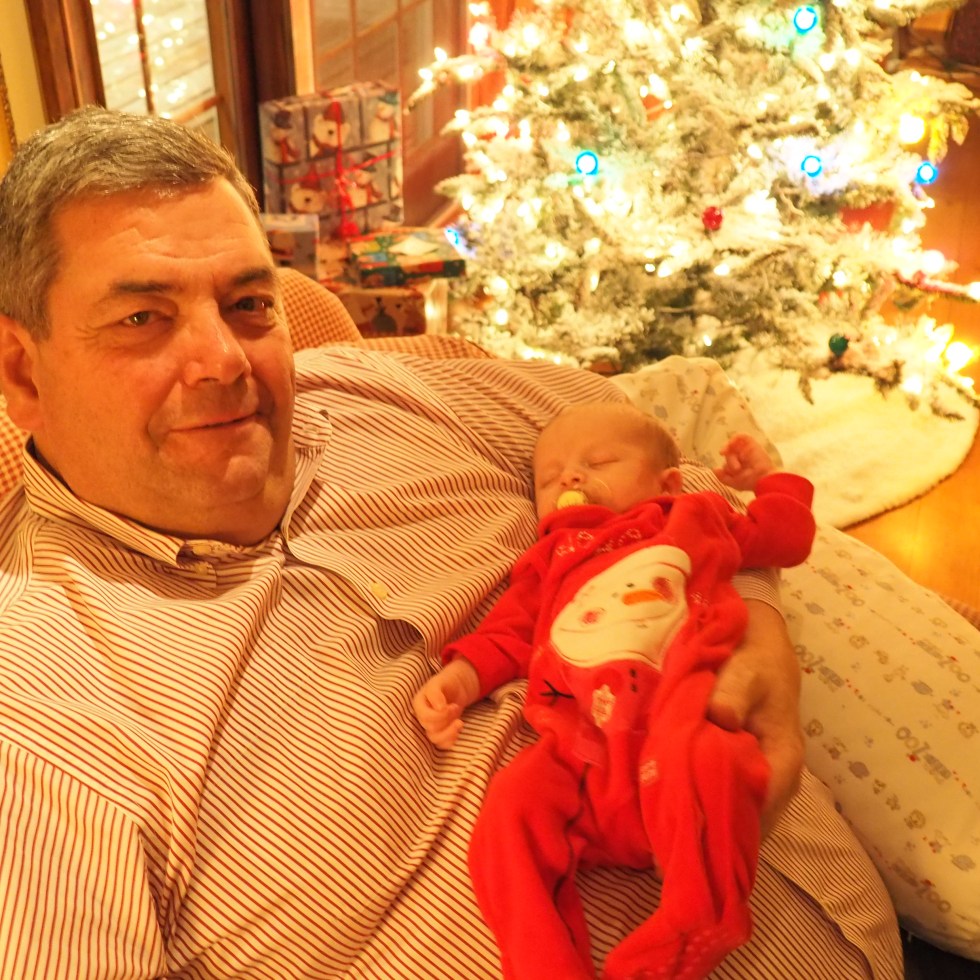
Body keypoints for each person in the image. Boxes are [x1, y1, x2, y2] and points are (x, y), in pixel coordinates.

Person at [0, 106, 902, 979]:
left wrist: (752, 620)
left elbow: (643, 447)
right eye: (143, 318)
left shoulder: (374, 390)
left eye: (247, 303)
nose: (226, 360)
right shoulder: (38, 713)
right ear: (23, 372)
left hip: (878, 918)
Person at [413, 404, 816, 979]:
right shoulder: (549, 559)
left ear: (667, 484)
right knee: (508, 812)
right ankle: (543, 964)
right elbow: (507, 634)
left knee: (716, 767)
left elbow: (787, 537)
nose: (571, 477)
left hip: (679, 718)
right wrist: (458, 680)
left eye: (599, 462)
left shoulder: (695, 517)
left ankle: (692, 925)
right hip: (578, 750)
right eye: (549, 478)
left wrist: (769, 480)